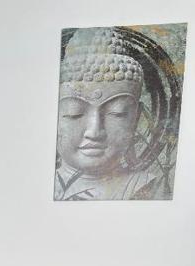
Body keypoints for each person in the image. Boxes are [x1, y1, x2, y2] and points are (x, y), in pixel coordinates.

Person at [54, 28, 162, 200]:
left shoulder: (149, 187)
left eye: (117, 113)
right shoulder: (38, 184)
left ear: (136, 118)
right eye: (74, 114)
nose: (94, 132)